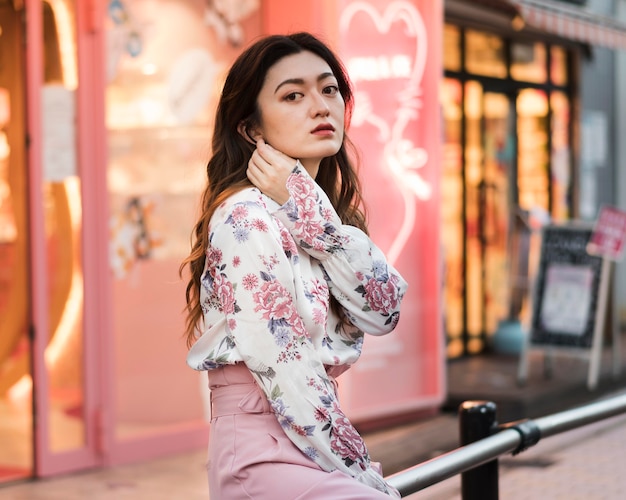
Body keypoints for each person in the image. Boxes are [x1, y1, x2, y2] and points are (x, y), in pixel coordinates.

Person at [181, 32, 408, 499]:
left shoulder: (320, 216)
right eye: (293, 95)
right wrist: (362, 473)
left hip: (309, 443)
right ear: (252, 129)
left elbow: (383, 310)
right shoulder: (245, 218)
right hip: (262, 457)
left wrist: (306, 207)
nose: (321, 106)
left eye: (329, 90)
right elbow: (286, 368)